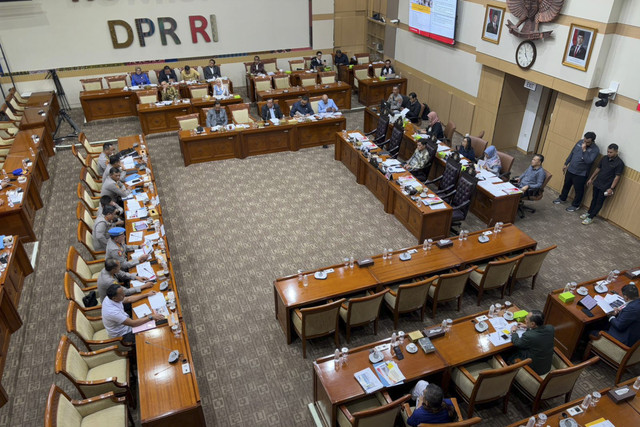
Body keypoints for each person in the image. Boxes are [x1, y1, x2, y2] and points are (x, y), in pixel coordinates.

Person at [553, 131, 599, 212]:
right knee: (566, 185)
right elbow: (572, 153)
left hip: (581, 173)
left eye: (587, 142)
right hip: (571, 169)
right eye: (584, 140)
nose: (584, 142)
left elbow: (589, 161)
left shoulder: (595, 150)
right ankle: (562, 198)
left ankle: (575, 205)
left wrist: (584, 150)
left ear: (592, 141)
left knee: (579, 190)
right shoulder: (579, 142)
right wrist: (566, 163)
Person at [581, 143, 624, 225]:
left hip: (606, 186)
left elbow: (617, 177)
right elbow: (598, 169)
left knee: (599, 202)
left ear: (616, 152)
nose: (608, 153)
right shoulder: (604, 158)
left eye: (611, 152)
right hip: (597, 182)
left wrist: (611, 188)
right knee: (594, 199)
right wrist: (591, 178)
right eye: (608, 151)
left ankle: (591, 217)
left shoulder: (619, 163)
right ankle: (589, 212)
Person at [509, 310, 555, 375]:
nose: (525, 320)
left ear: (533, 324)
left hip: (535, 369)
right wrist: (527, 326)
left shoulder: (528, 336)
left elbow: (517, 343)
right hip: (546, 365)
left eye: (527, 319)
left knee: (510, 351)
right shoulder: (550, 328)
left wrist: (513, 332)